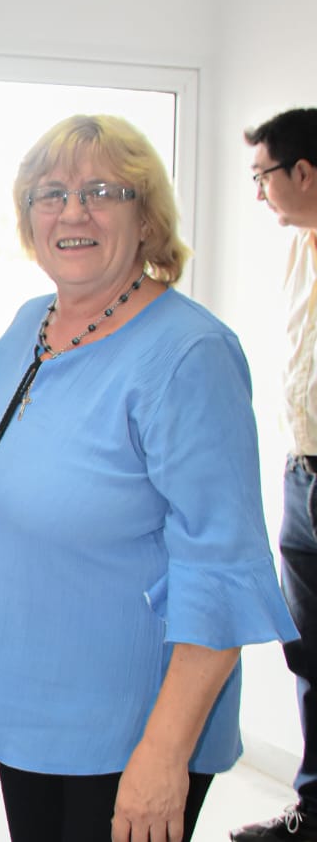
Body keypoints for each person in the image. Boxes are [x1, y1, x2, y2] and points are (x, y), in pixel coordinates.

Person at [0, 114, 298, 842]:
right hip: (32, 710)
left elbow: (220, 572)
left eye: (102, 191)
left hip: (132, 726)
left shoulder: (189, 354)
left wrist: (164, 754)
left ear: (146, 216)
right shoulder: (27, 329)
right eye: (51, 194)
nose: (73, 212)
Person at [232, 107, 317, 842]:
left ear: (304, 172)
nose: (258, 193)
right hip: (304, 473)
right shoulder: (300, 249)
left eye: (263, 176)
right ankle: (313, 811)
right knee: (309, 651)